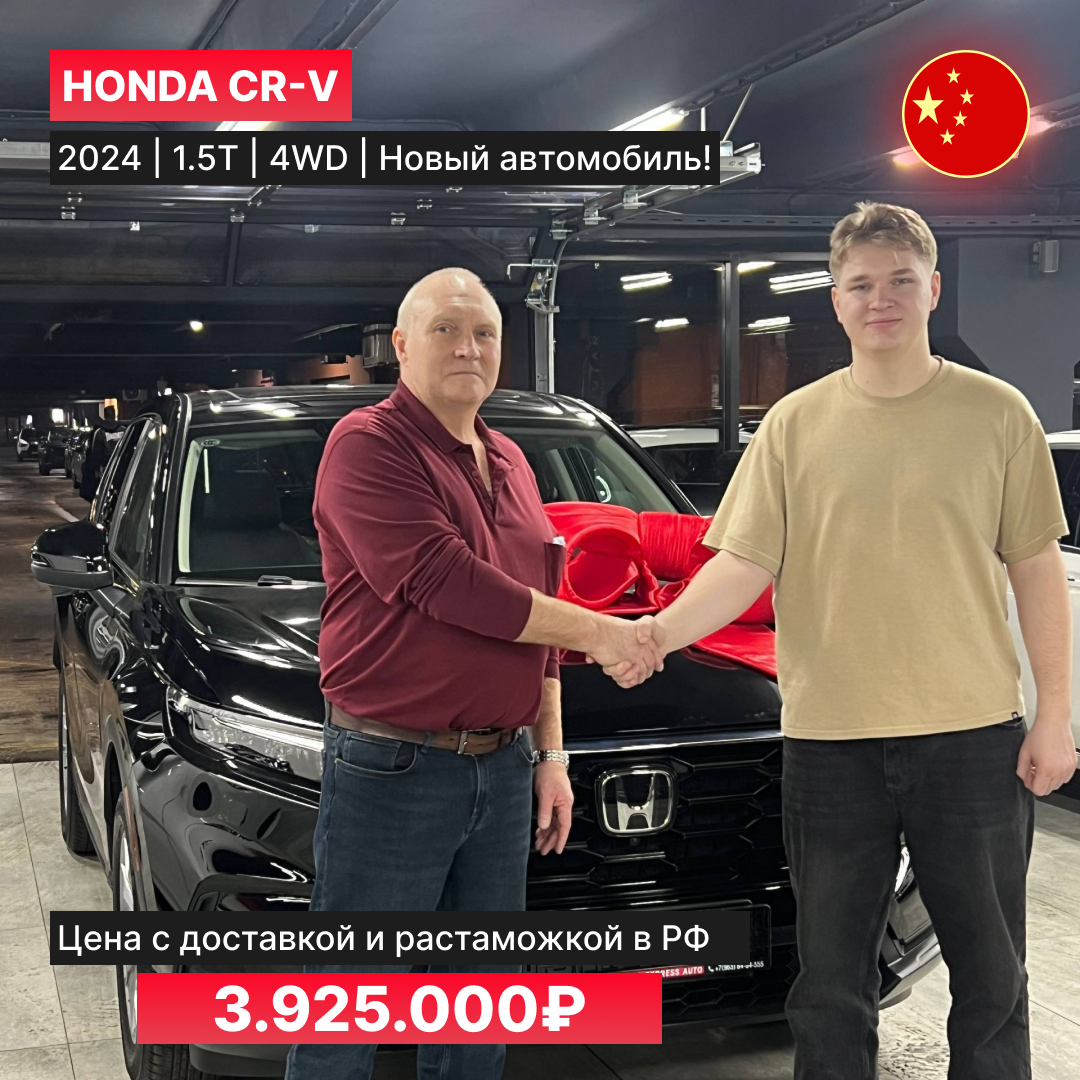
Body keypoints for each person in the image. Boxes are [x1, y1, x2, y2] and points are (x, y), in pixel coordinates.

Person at [602, 203, 1077, 1079]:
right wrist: (658, 633)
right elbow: (743, 563)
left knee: (991, 976)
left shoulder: (998, 415)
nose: (880, 299)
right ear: (835, 300)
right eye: (860, 284)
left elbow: (1038, 569)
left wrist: (1055, 717)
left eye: (900, 280)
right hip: (830, 744)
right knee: (828, 983)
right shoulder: (793, 425)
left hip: (970, 736)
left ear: (933, 289)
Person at [285, 267, 663, 1080]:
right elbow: (447, 582)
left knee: (480, 1004)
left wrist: (551, 754)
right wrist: (606, 633)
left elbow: (541, 620)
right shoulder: (368, 444)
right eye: (446, 329)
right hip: (394, 768)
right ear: (401, 345)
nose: (468, 348)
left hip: (504, 768)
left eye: (484, 333)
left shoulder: (513, 460)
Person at [78, 405, 123, 501]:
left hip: (105, 467)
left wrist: (96, 470)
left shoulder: (99, 432)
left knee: (104, 493)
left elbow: (96, 453)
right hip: (121, 466)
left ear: (105, 415)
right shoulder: (124, 430)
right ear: (115, 414)